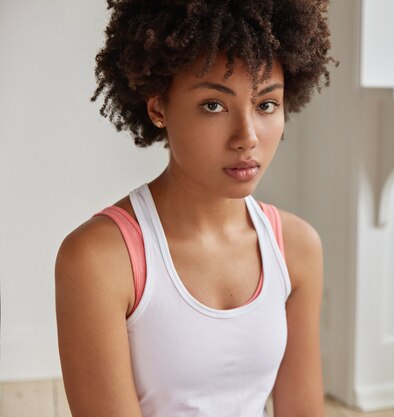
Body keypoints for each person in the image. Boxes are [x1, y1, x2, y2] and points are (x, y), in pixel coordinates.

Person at [54, 1, 336, 416]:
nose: (247, 137)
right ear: (158, 108)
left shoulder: (296, 246)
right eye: (213, 105)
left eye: (266, 105)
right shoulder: (98, 260)